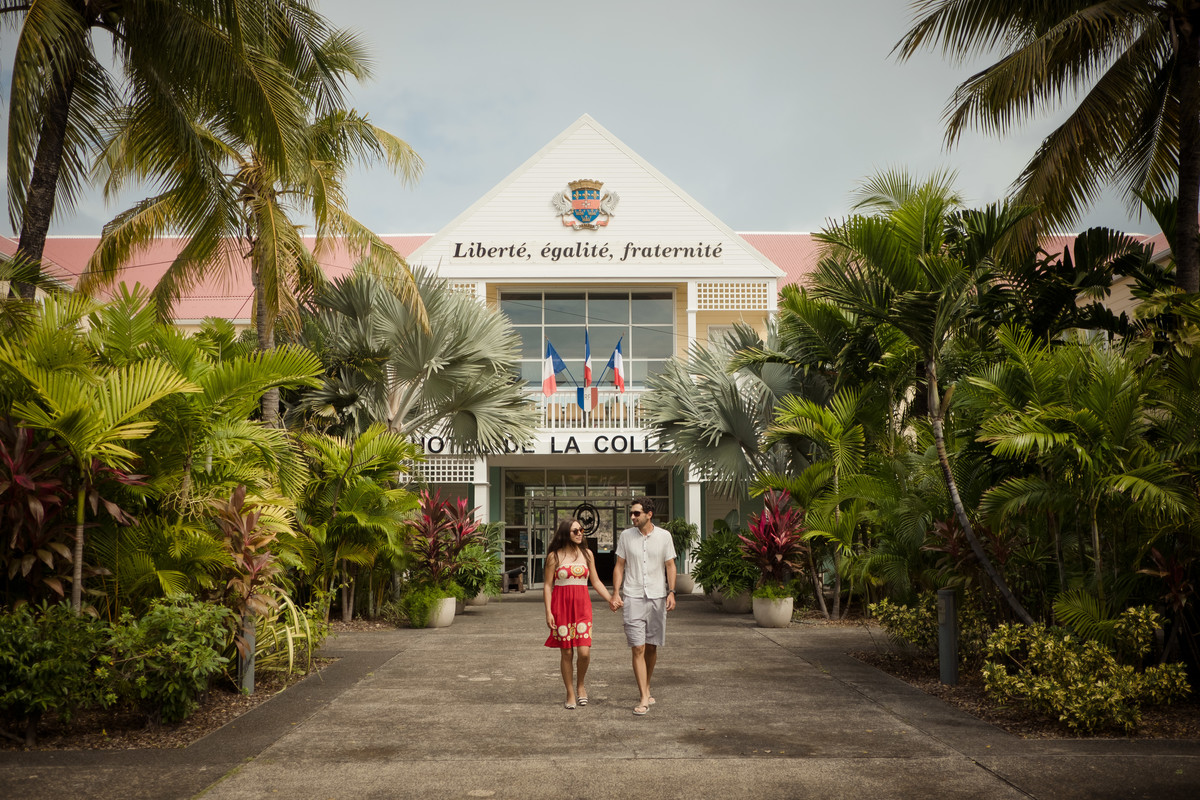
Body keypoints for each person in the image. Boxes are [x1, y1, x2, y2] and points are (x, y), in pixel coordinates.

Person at [610, 496, 677, 716]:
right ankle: (643, 697)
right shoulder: (626, 536)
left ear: (649, 514)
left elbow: (670, 565)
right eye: (631, 513)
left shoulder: (664, 537)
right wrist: (616, 592)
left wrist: (672, 592)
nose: (632, 517)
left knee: (651, 646)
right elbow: (619, 566)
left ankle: (646, 687)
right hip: (633, 596)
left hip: (657, 596)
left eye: (636, 513)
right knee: (637, 647)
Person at [544, 517, 616, 709]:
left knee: (584, 652)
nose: (579, 534)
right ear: (565, 533)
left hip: (582, 607)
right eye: (575, 531)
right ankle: (570, 693)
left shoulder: (587, 554)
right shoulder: (554, 556)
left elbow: (596, 581)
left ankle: (581, 685)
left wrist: (610, 599)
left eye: (581, 530)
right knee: (567, 652)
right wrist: (548, 612)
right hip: (561, 608)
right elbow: (548, 585)